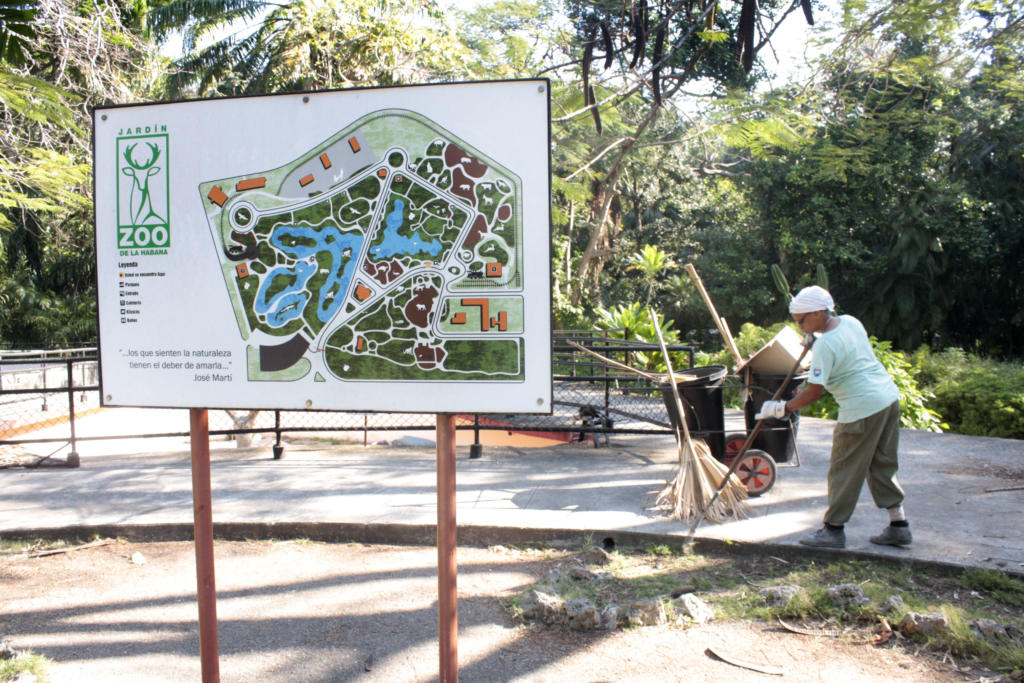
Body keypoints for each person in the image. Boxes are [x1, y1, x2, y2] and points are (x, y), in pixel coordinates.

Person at [755, 285, 911, 549]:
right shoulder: (851, 322)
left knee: (844, 469)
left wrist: (783, 407)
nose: (801, 326)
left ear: (818, 312)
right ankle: (899, 526)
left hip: (861, 409)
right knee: (882, 463)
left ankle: (833, 530)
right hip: (887, 398)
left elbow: (815, 392)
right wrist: (815, 338)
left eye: (803, 320)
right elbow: (845, 349)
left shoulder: (825, 345)